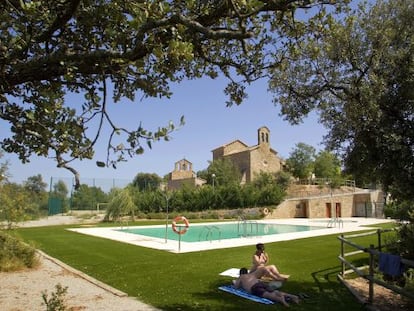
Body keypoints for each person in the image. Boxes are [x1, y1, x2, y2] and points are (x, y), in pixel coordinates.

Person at [233, 267, 299, 307]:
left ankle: (280, 299)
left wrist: (236, 282)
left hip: (254, 288)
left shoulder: (241, 277)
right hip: (261, 283)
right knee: (275, 291)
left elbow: (236, 287)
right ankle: (292, 296)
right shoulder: (251, 275)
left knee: (267, 294)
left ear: (240, 273)